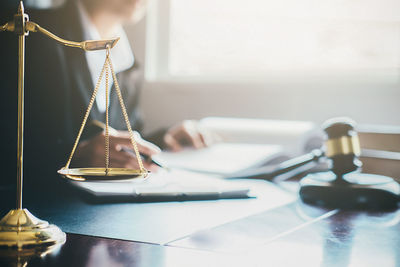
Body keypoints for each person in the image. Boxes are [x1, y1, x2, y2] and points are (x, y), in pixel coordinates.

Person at [0, 0, 210, 187]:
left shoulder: (126, 61)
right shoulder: (30, 36)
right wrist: (74, 158)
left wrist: (163, 140)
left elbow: (119, 140)